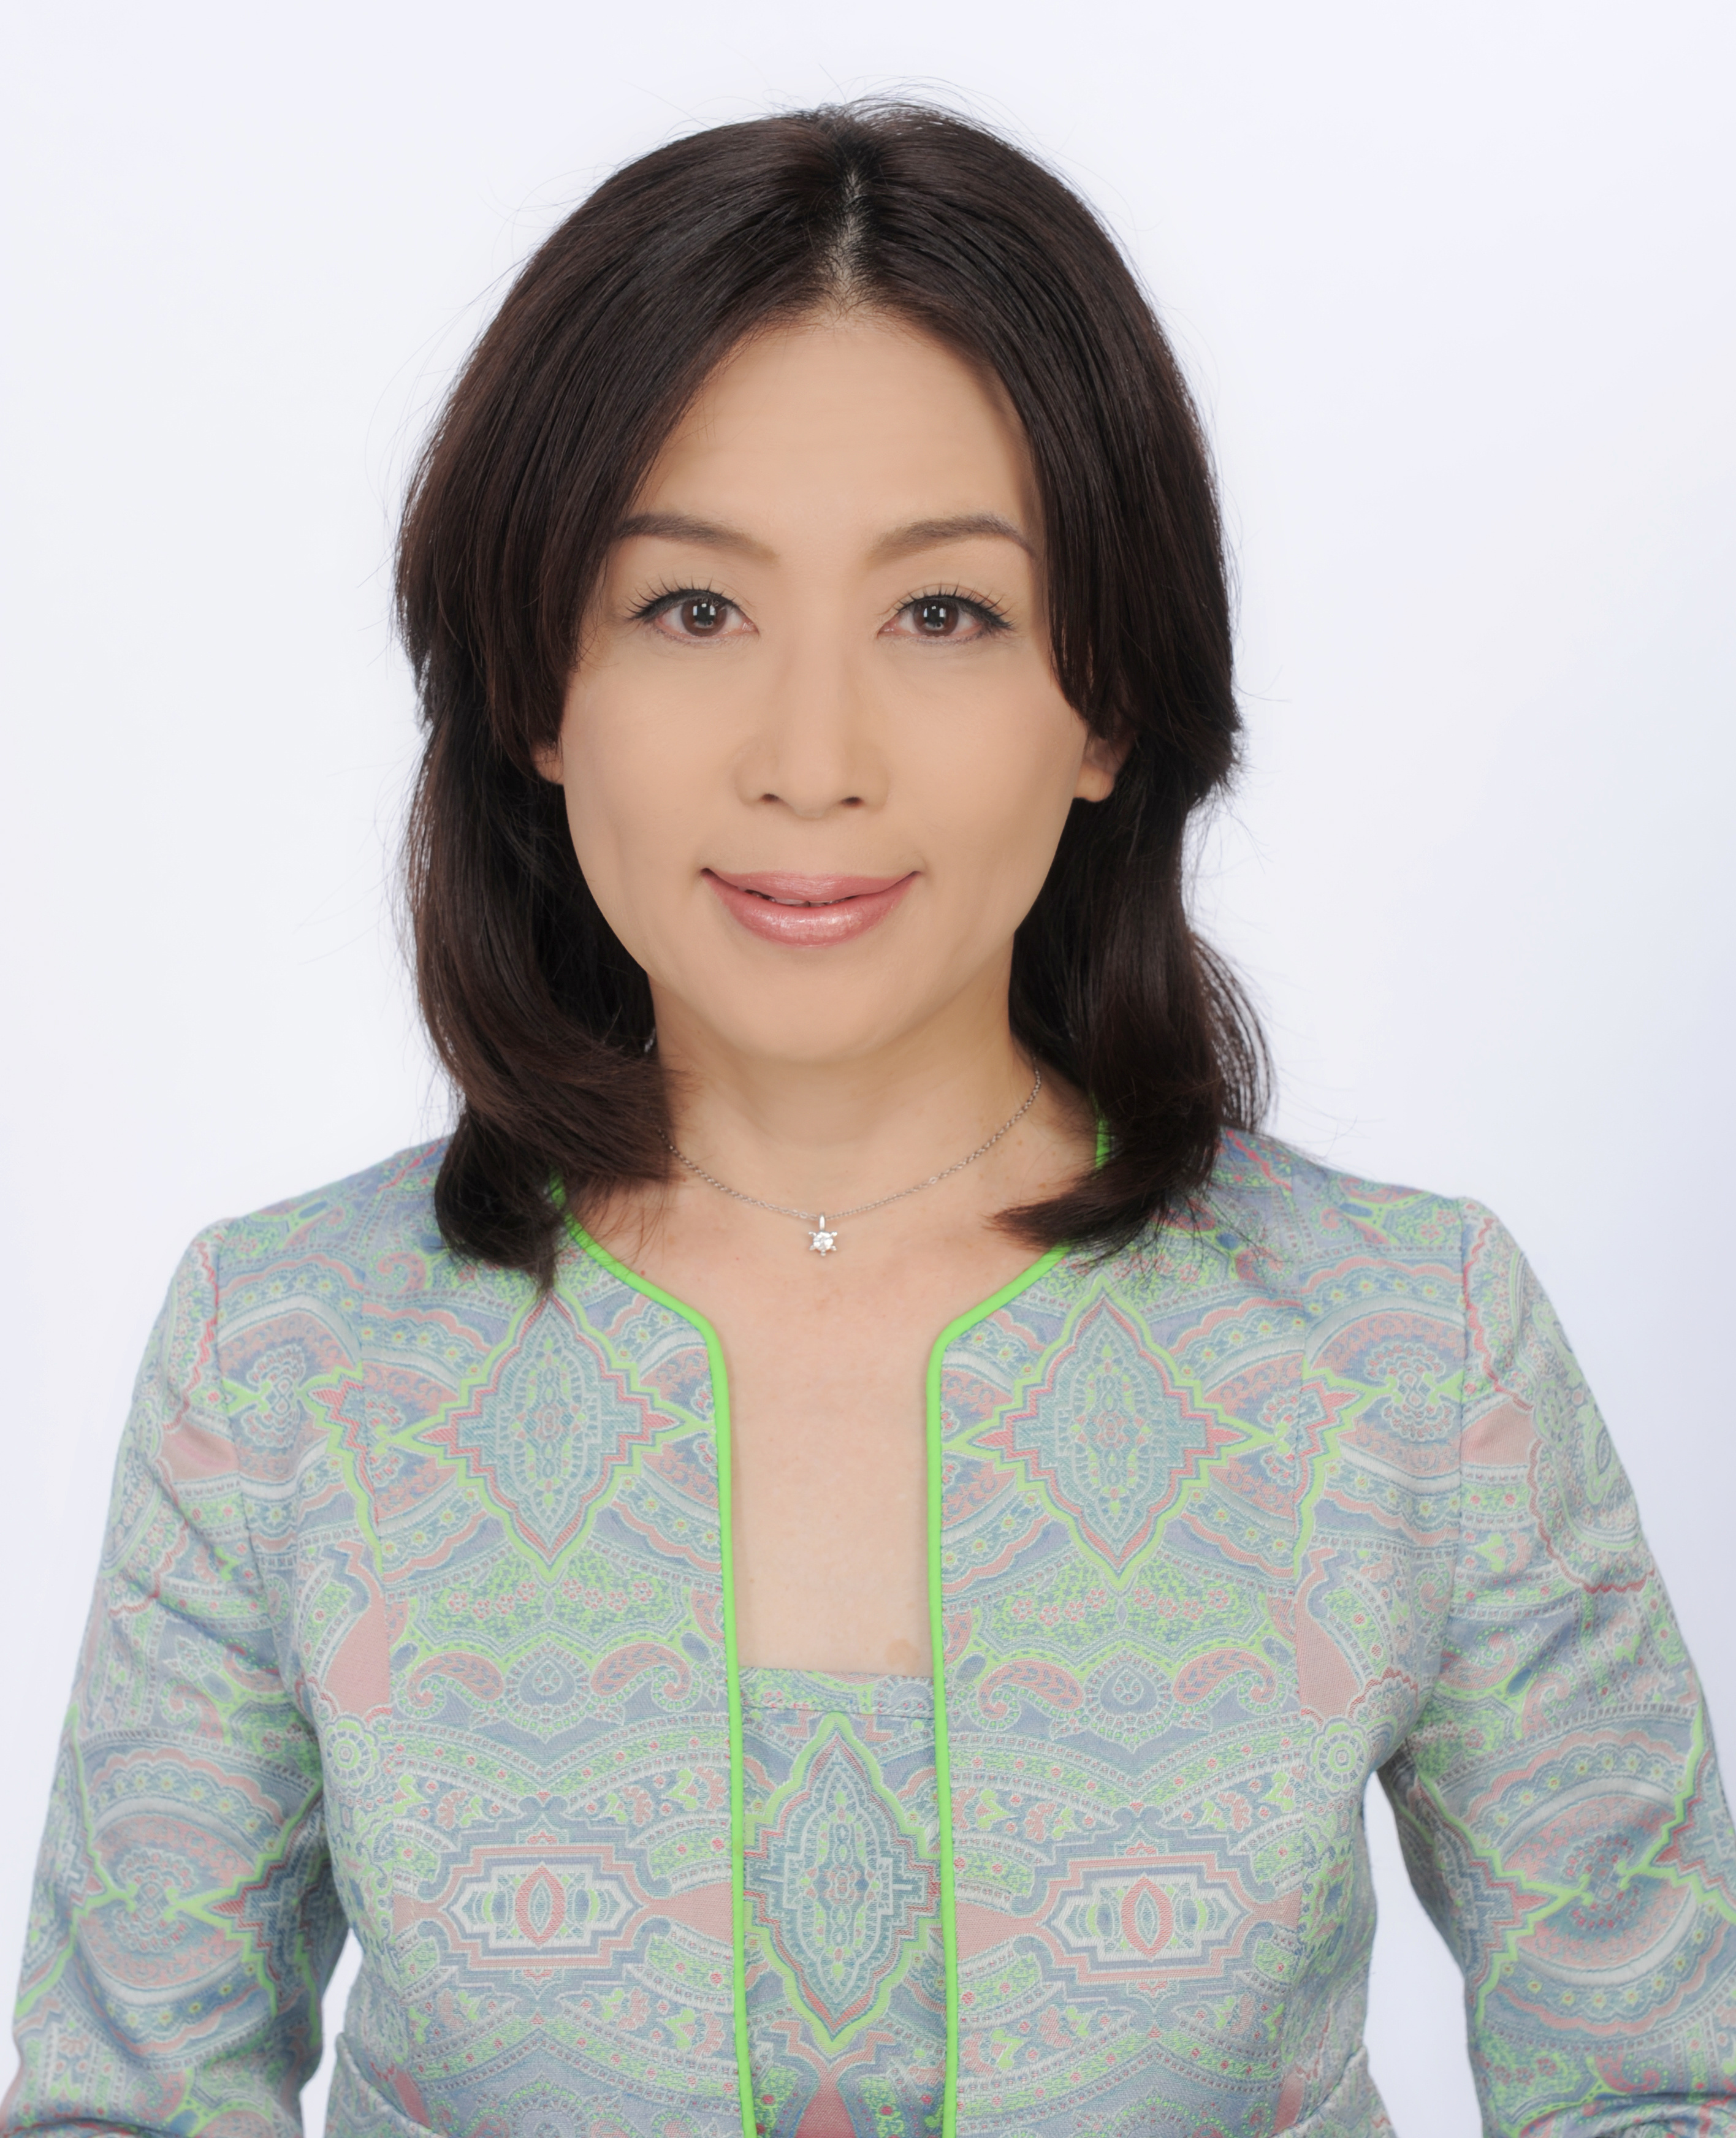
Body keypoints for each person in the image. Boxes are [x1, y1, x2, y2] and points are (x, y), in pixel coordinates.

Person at [5, 101, 1733, 2138]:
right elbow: (121, 2106)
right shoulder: (286, 1358)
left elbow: (1662, 2091)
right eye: (691, 608)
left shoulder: (1410, 1348)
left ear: (1107, 702)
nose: (811, 760)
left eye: (943, 614)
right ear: (536, 692)